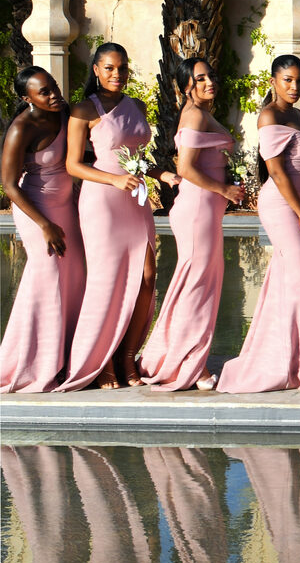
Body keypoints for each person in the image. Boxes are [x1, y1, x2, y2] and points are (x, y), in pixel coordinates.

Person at [220, 55, 300, 393]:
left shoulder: (298, 115)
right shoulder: (270, 115)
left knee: (289, 282)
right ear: (273, 80)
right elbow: (274, 170)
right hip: (282, 205)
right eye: (287, 80)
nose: (295, 87)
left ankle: (282, 361)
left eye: (299, 80)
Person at [58, 42, 158, 391]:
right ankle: (100, 364)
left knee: (147, 275)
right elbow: (73, 164)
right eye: (110, 68)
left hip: (136, 198)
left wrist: (163, 174)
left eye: (123, 68)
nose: (117, 74)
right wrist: (115, 178)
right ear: (97, 70)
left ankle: (127, 357)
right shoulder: (84, 109)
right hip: (103, 200)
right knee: (107, 280)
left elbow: (140, 152)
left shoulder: (138, 106)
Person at [142, 59, 242, 391]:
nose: (209, 82)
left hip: (204, 209)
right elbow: (185, 168)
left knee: (197, 284)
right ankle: (190, 365)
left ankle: (173, 356)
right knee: (197, 286)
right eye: (200, 78)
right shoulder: (195, 114)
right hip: (197, 208)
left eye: (211, 75)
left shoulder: (204, 113)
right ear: (187, 86)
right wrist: (224, 189)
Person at [0, 66, 82, 392]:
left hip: (67, 206)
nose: (53, 94)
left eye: (53, 86)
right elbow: (9, 185)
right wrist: (45, 225)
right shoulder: (22, 128)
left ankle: (65, 356)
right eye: (43, 92)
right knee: (47, 279)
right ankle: (40, 365)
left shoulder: (64, 113)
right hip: (36, 210)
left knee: (72, 279)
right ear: (27, 98)